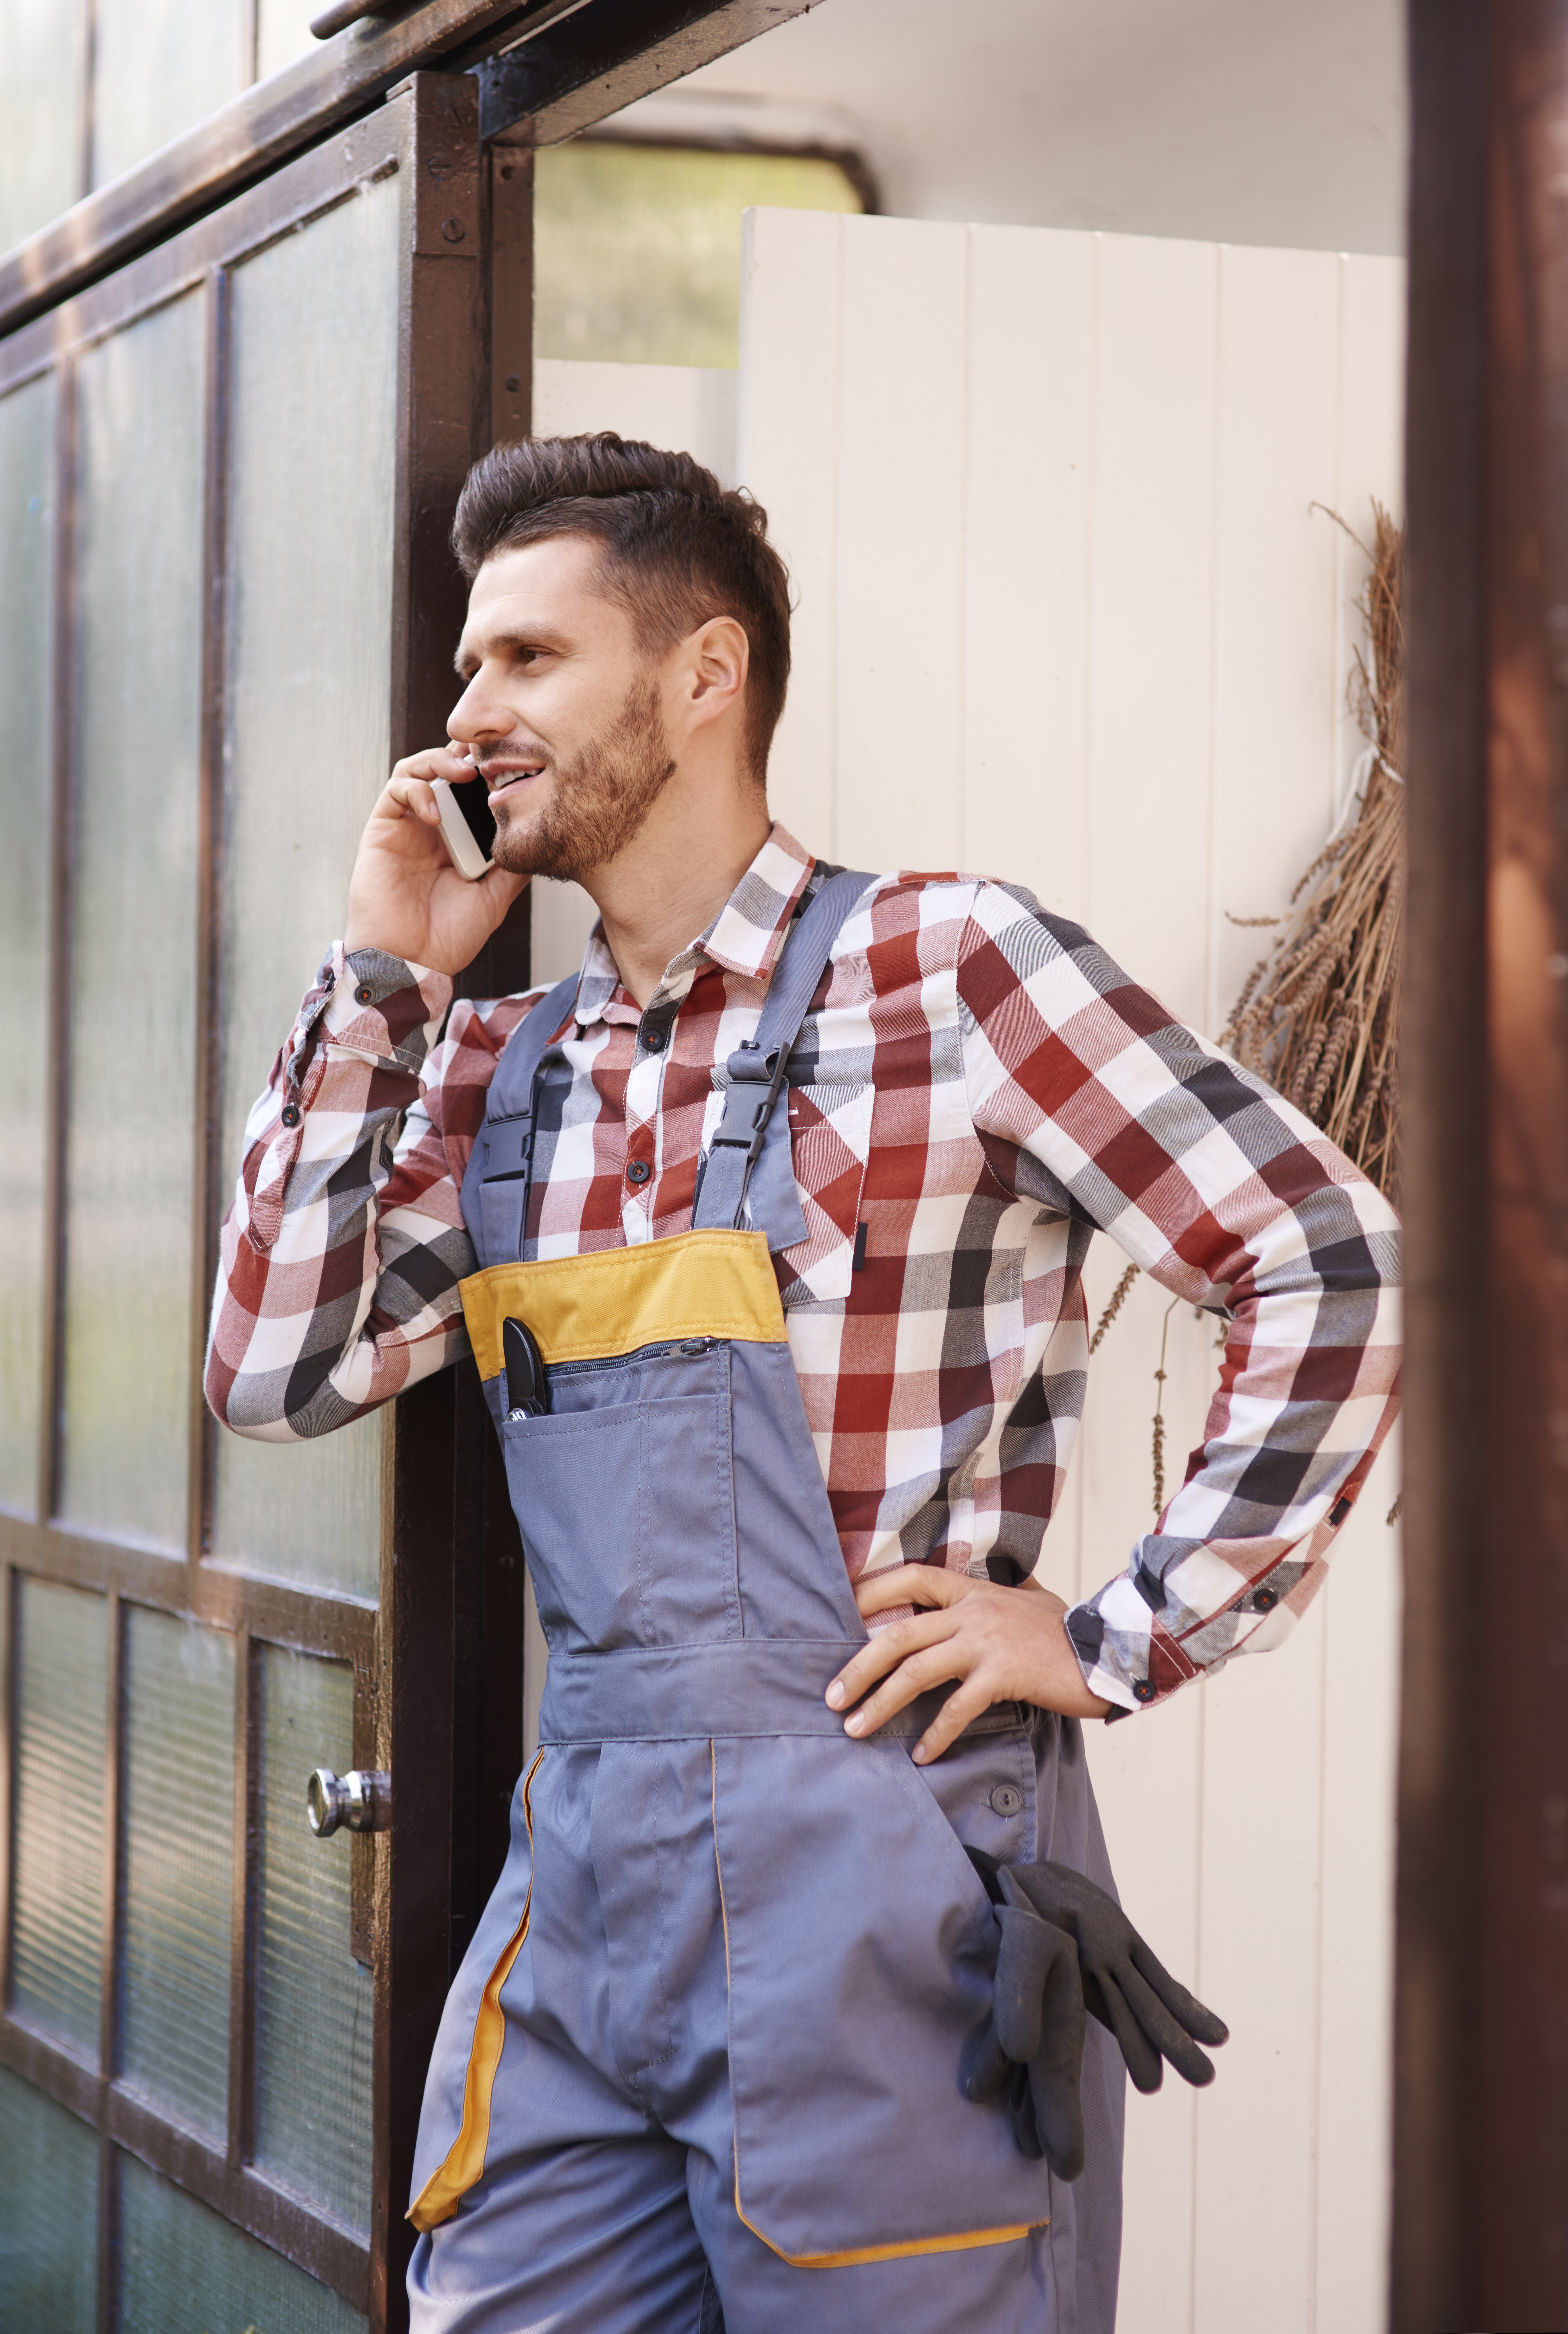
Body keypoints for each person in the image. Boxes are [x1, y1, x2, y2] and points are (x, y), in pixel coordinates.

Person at [206, 434, 1401, 2334]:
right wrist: (381, 979)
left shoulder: (952, 973)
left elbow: (1329, 1257)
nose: (468, 712)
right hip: (586, 1885)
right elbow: (271, 1371)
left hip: (884, 1876)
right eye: (467, 666)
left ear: (706, 674)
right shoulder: (502, 1069)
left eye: (528, 657)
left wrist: (1116, 1635)